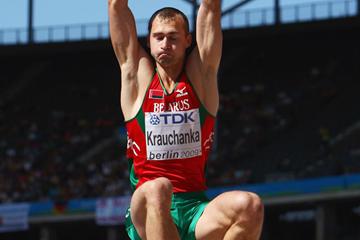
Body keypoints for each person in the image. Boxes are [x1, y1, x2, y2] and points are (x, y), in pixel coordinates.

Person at [108, 0, 264, 239]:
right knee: (159, 187)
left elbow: (211, 7)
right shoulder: (136, 79)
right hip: (147, 206)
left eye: (173, 37)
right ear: (148, 40)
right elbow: (117, 6)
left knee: (249, 205)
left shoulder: (202, 78)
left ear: (188, 41)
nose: (165, 44)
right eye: (158, 37)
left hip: (193, 208)